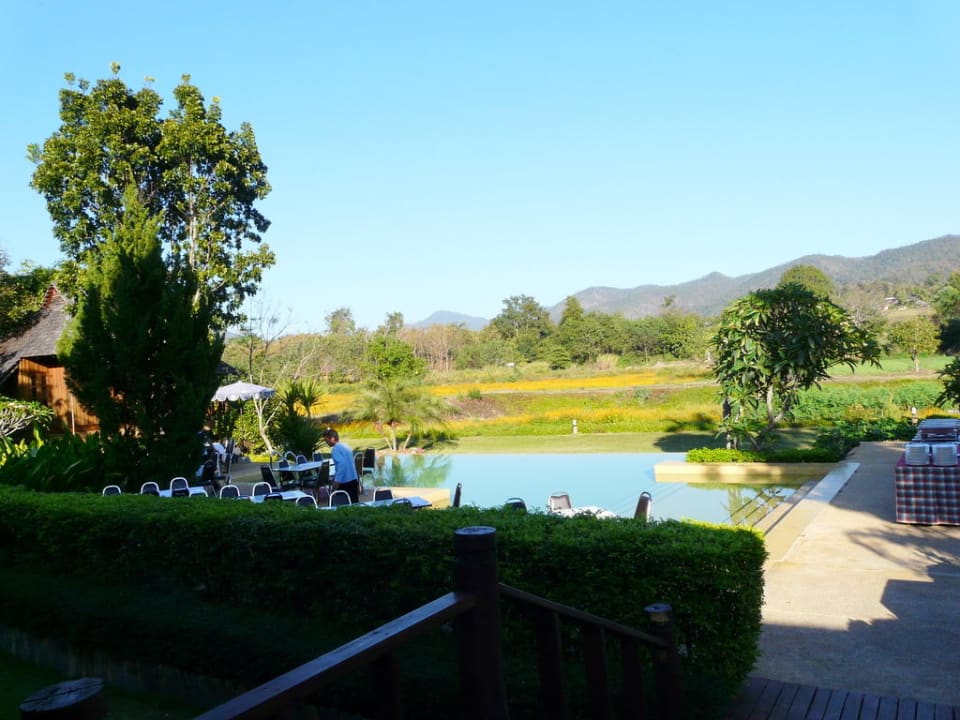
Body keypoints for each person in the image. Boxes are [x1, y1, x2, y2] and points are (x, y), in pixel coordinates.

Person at [324, 428, 359, 503]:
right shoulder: (346, 446)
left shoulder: (335, 449)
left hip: (345, 482)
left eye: (326, 440)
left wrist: (337, 481)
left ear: (332, 439)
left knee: (342, 506)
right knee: (354, 504)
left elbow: (341, 465)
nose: (326, 443)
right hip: (353, 479)